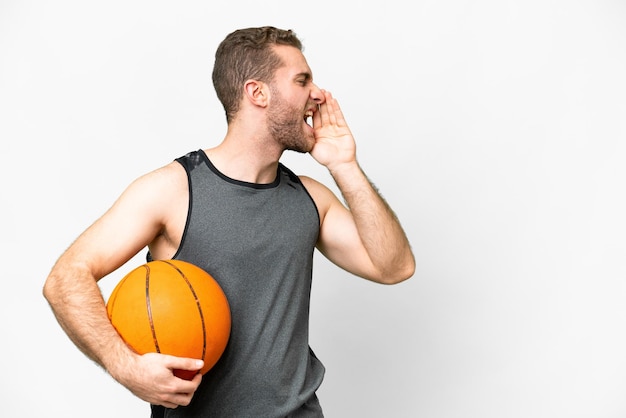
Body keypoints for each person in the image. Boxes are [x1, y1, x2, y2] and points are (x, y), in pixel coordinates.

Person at [43, 26, 415, 417]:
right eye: (302, 80)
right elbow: (66, 277)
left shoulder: (310, 198)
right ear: (258, 93)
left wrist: (345, 165)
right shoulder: (174, 190)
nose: (318, 94)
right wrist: (125, 366)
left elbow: (394, 267)